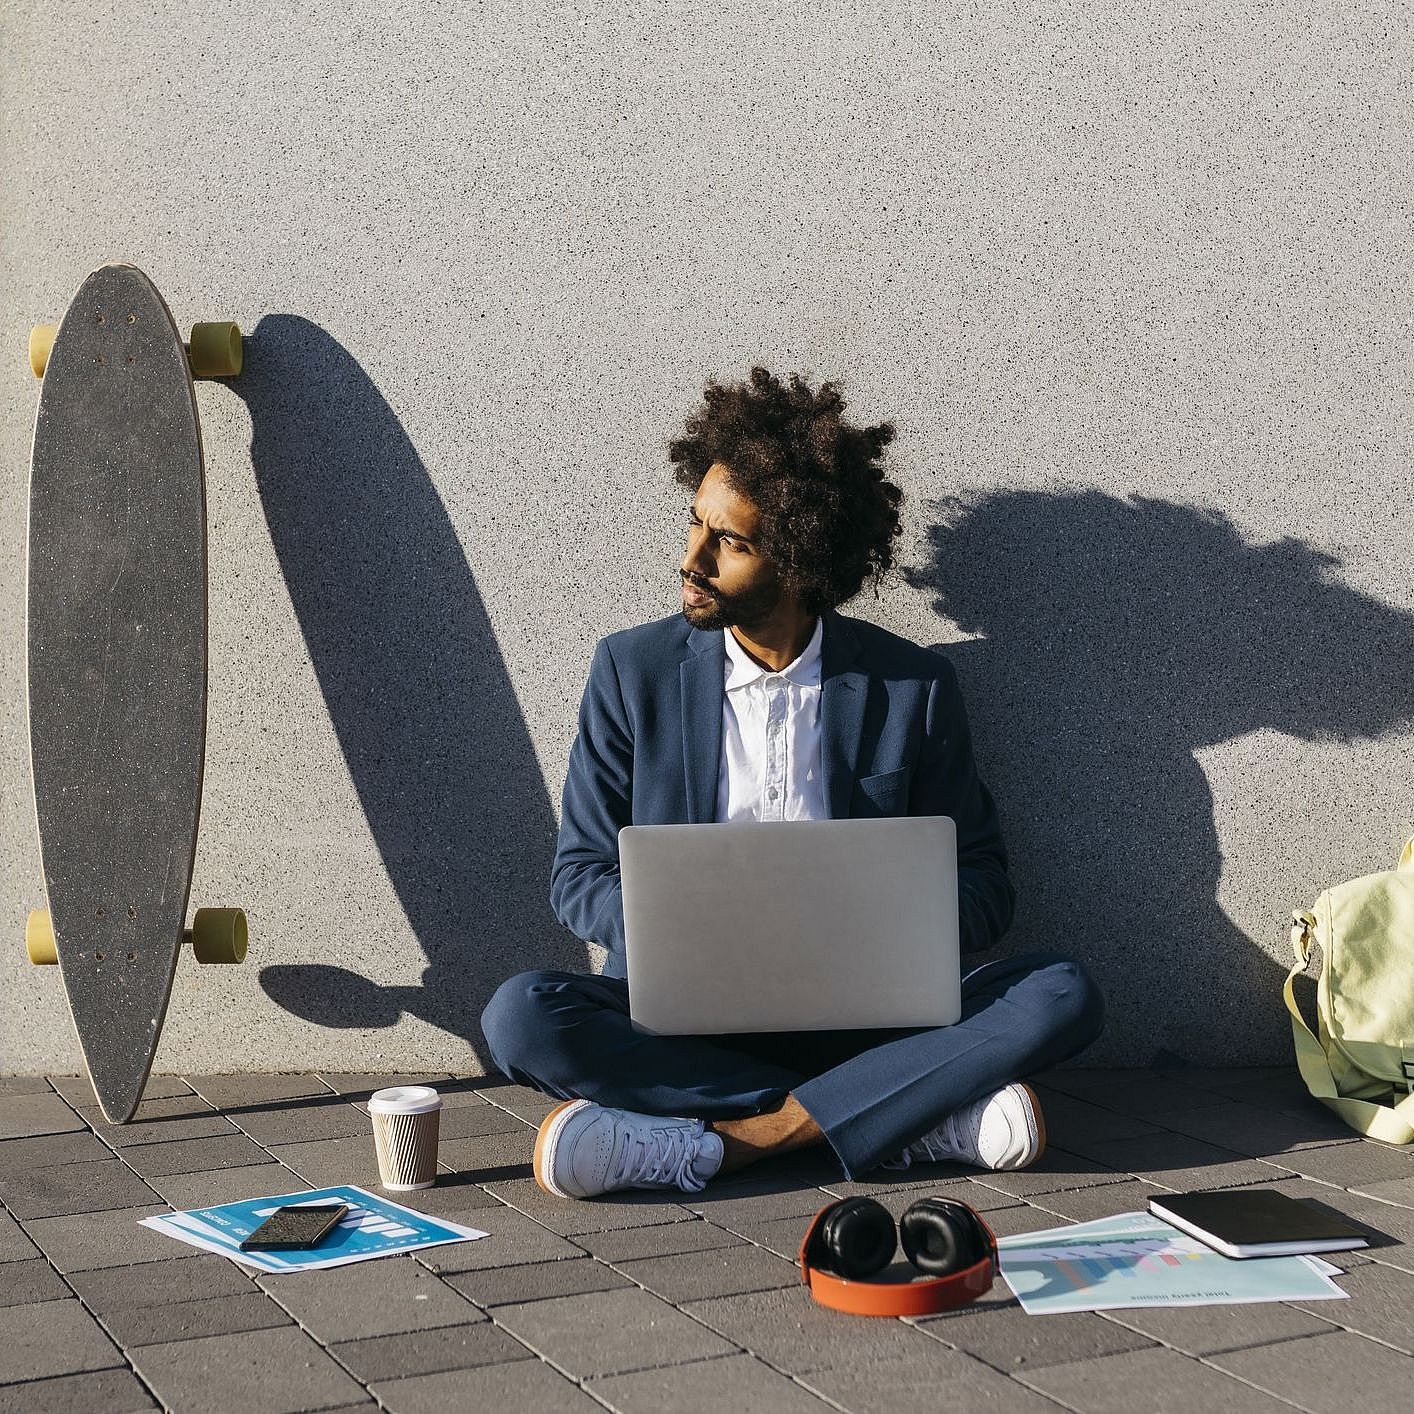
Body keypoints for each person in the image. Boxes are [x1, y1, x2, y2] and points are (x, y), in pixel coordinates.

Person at [480, 367, 1104, 1200]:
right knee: (520, 1017)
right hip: (685, 1029)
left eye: (729, 543)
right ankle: (909, 1119)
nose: (690, 559)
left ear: (803, 561)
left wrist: (877, 914)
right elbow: (578, 875)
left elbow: (988, 888)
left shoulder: (909, 688)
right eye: (696, 525)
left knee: (1061, 991)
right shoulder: (633, 673)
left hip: (863, 1027)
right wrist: (687, 918)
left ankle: (728, 1143)